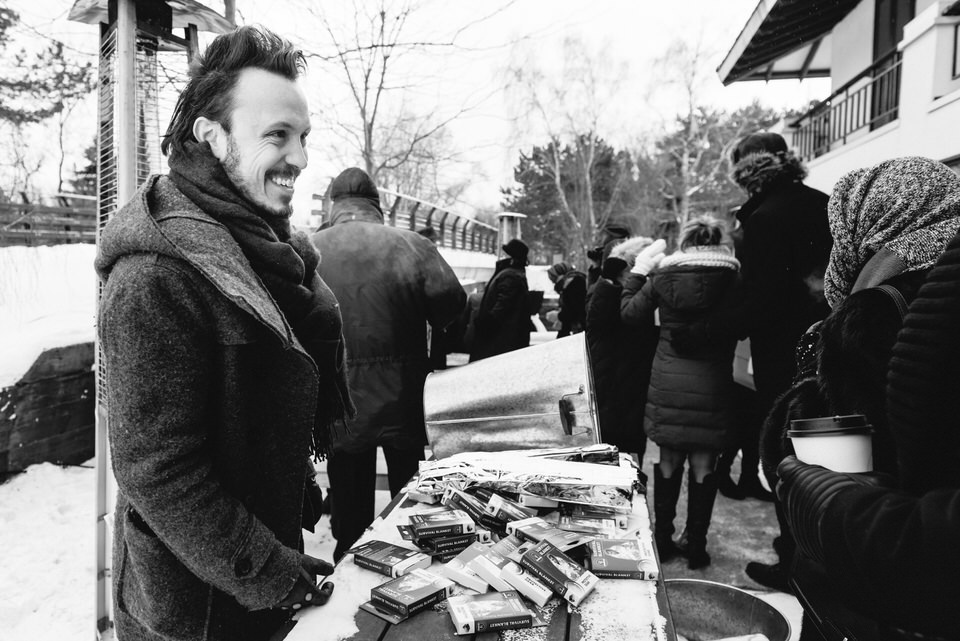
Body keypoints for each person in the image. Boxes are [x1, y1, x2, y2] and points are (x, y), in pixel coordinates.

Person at [95, 26, 349, 641]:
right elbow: (158, 471)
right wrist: (272, 571)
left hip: (258, 590)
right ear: (211, 136)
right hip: (197, 616)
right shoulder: (156, 277)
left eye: (303, 137)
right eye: (277, 136)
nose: (301, 159)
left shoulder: (268, 253)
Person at [759, 157, 960, 639]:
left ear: (868, 223)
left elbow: (821, 444)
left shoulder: (872, 312)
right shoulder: (937, 284)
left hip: (877, 589)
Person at [675, 132, 832, 589]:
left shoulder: (764, 219)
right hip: (831, 350)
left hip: (784, 358)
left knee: (786, 460)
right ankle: (817, 559)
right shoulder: (822, 203)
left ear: (746, 170)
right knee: (823, 461)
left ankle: (796, 563)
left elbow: (761, 299)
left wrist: (704, 329)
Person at [311, 167, 465, 561]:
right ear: (376, 205)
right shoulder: (411, 245)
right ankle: (415, 576)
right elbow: (451, 304)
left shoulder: (309, 250)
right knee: (411, 504)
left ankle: (349, 585)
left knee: (349, 510)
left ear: (334, 205)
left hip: (341, 406)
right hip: (404, 400)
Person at [621, 216, 741, 570]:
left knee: (669, 458)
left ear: (685, 242)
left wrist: (639, 271)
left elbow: (629, 314)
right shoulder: (733, 277)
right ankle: (697, 546)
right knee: (705, 462)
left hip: (668, 382)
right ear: (717, 242)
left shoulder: (663, 276)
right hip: (713, 382)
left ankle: (662, 540)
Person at [585, 236, 660, 470]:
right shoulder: (607, 292)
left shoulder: (646, 297)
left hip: (632, 388)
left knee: (631, 456)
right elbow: (595, 321)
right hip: (609, 386)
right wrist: (606, 282)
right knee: (606, 458)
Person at [469, 238, 532, 361]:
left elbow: (503, 305)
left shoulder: (511, 276)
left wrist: (487, 322)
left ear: (512, 257)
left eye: (506, 253)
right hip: (503, 337)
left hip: (499, 339)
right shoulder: (513, 273)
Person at [546, 262, 587, 337]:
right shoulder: (569, 285)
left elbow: (573, 310)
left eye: (554, 278)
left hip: (578, 331)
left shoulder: (574, 285)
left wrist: (558, 316)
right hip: (575, 330)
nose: (554, 283)